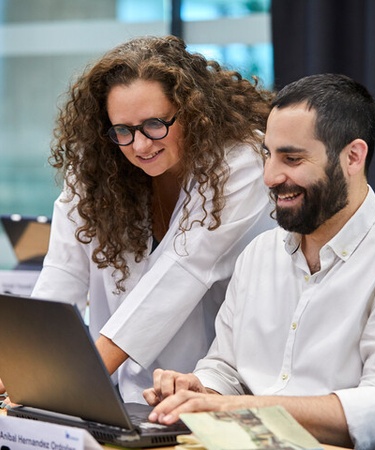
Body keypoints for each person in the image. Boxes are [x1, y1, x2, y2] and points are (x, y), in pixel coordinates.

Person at [143, 73, 375, 450]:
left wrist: (237, 407)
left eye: (292, 158)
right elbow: (225, 366)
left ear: (353, 156)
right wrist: (199, 390)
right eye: (267, 154)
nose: (270, 176)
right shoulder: (259, 254)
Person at [19, 35, 276, 403]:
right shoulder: (98, 165)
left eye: (155, 124)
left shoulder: (241, 162)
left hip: (208, 389)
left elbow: (181, 274)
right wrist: (23, 367)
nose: (140, 146)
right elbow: (63, 275)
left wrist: (65, 378)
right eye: (123, 129)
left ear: (193, 112)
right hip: (119, 392)